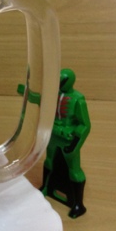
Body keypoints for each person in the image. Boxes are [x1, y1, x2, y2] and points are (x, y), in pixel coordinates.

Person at [41, 68, 91, 218]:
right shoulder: (53, 95)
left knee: (74, 170)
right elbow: (42, 102)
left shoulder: (78, 100)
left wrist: (75, 144)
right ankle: (45, 187)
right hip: (53, 135)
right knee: (49, 161)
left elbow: (85, 125)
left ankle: (78, 204)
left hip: (68, 139)